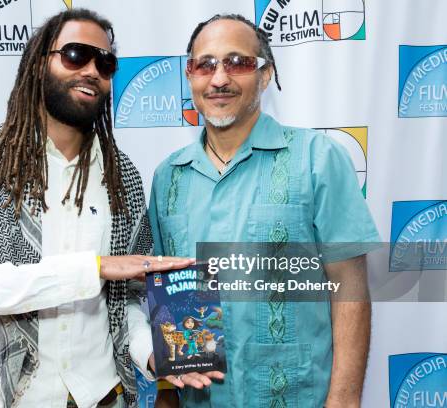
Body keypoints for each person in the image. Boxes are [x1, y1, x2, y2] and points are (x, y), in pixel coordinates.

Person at [0, 8, 193, 408]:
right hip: (12, 398)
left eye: (104, 63)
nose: (91, 70)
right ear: (40, 65)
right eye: (75, 55)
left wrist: (153, 355)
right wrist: (93, 268)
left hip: (105, 395)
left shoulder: (122, 176)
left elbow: (128, 300)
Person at [149, 14, 380, 408]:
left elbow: (350, 286)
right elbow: (169, 295)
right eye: (205, 65)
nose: (219, 79)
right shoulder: (169, 176)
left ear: (265, 74)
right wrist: (168, 398)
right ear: (190, 77)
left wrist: (344, 400)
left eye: (237, 62)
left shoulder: (317, 159)